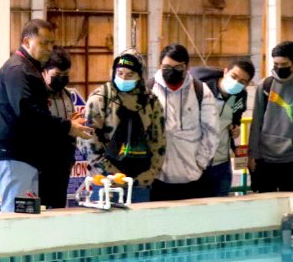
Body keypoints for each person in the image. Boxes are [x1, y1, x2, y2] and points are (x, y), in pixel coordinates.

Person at [0, 19, 93, 212]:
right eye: (44, 43)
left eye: (51, 43)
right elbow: (28, 113)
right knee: (16, 218)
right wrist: (67, 126)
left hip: (25, 156)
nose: (49, 49)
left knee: (26, 216)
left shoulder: (29, 69)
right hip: (14, 154)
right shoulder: (18, 70)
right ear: (27, 42)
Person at [84, 49, 166, 202]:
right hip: (107, 183)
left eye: (130, 75)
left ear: (139, 75)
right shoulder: (100, 98)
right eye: (120, 73)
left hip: (140, 184)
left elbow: (159, 142)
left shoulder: (151, 102)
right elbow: (88, 142)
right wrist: (112, 174)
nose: (123, 78)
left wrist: (149, 174)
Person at [248, 40, 293, 193]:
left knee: (289, 203)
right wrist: (253, 154)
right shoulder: (265, 86)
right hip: (265, 159)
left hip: (292, 160)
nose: (279, 68)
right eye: (276, 64)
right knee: (264, 202)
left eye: (284, 64)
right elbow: (256, 122)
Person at [149, 43, 218, 201]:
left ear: (187, 67)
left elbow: (211, 131)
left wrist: (200, 163)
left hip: (194, 177)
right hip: (158, 178)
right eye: (167, 67)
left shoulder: (201, 90)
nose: (172, 71)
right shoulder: (148, 90)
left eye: (177, 67)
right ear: (160, 66)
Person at [190, 58, 254, 197]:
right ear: (225, 72)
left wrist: (236, 127)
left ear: (247, 84)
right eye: (234, 76)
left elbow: (236, 117)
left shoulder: (240, 96)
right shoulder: (202, 89)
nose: (236, 82)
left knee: (221, 204)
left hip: (221, 164)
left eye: (242, 82)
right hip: (196, 162)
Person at [39, 46, 88, 209]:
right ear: (44, 72)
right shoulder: (37, 94)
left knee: (59, 207)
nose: (61, 79)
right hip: (43, 163)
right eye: (57, 75)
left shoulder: (67, 94)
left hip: (63, 161)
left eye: (65, 75)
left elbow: (71, 124)